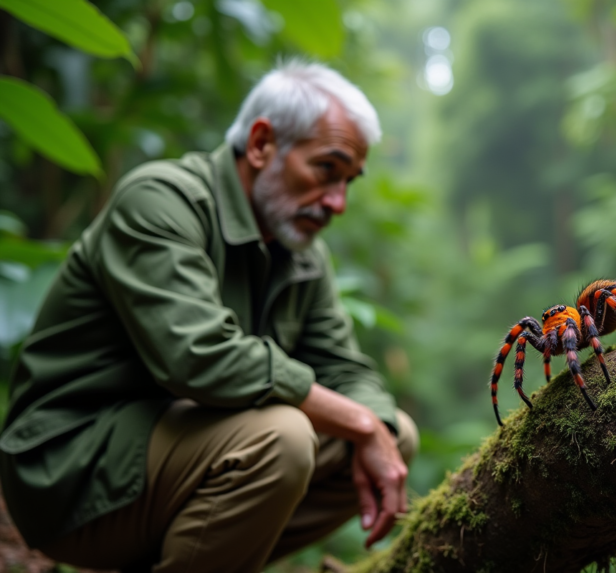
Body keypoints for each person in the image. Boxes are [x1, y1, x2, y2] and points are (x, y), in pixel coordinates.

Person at [0, 60, 417, 572]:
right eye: (326, 169)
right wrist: (357, 422)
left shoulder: (303, 255)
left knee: (394, 431)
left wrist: (372, 423)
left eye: (349, 180)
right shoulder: (161, 201)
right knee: (284, 439)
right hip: (70, 473)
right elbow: (198, 357)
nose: (338, 202)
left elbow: (346, 370)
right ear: (262, 144)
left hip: (176, 465)